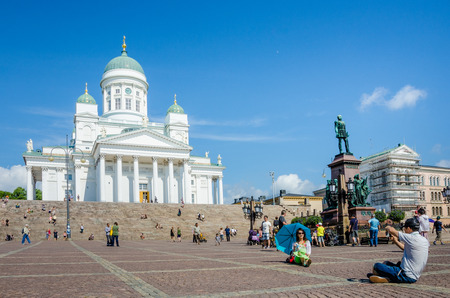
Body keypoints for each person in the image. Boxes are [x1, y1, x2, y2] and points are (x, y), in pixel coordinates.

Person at [368, 217, 429, 283]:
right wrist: (396, 241)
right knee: (386, 263)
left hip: (405, 274)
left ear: (409, 228)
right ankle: (386, 276)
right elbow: (404, 248)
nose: (404, 230)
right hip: (415, 275)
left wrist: (387, 226)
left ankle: (388, 278)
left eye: (404, 228)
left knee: (376, 265)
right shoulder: (423, 240)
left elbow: (392, 230)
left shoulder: (411, 237)